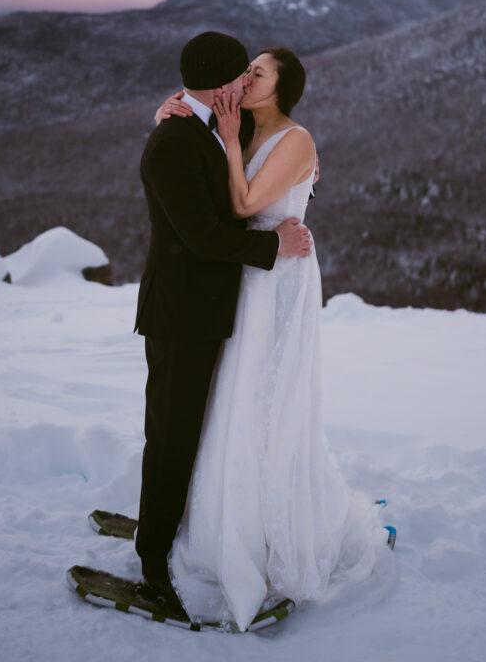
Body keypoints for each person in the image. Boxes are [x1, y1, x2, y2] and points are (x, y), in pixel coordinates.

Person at [157, 47, 387, 631]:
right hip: (246, 276)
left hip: (279, 281)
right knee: (234, 394)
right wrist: (170, 114)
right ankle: (227, 511)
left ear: (281, 88)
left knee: (269, 397)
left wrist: (230, 139)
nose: (244, 79)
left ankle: (273, 523)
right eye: (245, 71)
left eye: (256, 73)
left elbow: (242, 203)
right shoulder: (242, 125)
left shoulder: (295, 139)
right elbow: (195, 161)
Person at [133, 32, 312, 620]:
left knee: (200, 428)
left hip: (211, 309)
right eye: (241, 73)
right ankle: (153, 563)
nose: (246, 81)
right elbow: (204, 235)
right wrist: (273, 245)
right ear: (220, 85)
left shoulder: (211, 123)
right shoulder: (174, 142)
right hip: (181, 314)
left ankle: (191, 523)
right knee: (172, 435)